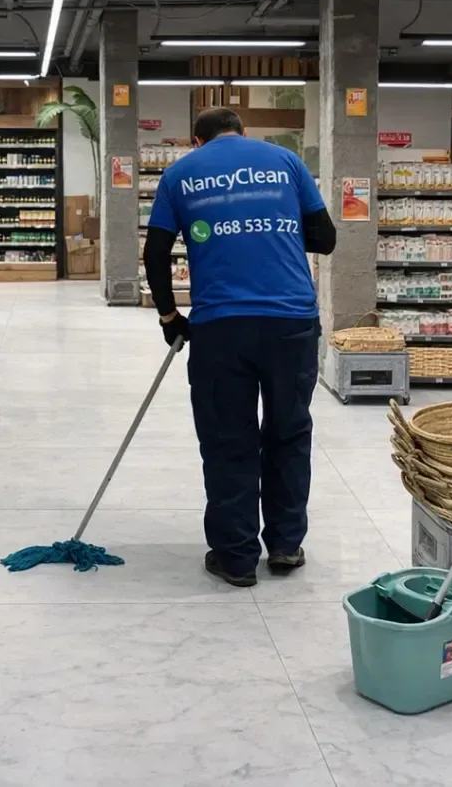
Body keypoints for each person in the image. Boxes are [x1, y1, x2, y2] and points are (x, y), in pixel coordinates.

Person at [143, 106, 337, 587]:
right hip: (291, 322)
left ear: (196, 140)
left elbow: (154, 252)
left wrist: (169, 317)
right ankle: (286, 546)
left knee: (229, 440)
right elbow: (326, 238)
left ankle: (235, 557)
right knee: (289, 434)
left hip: (220, 327)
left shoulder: (179, 173)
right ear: (243, 132)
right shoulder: (285, 161)